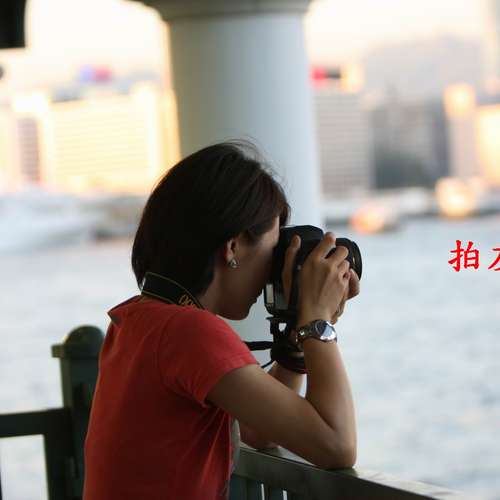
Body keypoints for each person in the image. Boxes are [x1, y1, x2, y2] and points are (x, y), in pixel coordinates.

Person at [82, 141, 359, 500]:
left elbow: (259, 430)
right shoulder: (189, 331)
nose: (272, 272)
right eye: (272, 252)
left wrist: (295, 336)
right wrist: (318, 321)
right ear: (233, 247)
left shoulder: (139, 319)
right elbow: (336, 445)